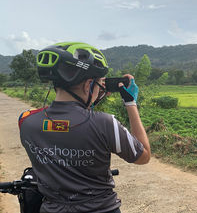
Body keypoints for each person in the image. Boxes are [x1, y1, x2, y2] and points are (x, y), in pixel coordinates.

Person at [18, 42, 151, 213]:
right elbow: (143, 156)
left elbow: (62, 123)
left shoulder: (26, 121)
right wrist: (131, 102)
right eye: (101, 83)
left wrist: (88, 99)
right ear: (88, 84)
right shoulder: (105, 123)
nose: (102, 88)